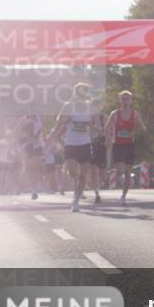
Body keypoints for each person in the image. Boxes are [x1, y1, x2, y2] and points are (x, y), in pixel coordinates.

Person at [51, 83, 98, 212]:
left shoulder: (91, 108)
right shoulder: (69, 106)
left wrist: (92, 127)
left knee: (83, 175)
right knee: (73, 173)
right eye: (80, 92)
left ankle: (75, 200)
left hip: (85, 144)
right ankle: (76, 190)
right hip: (71, 144)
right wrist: (53, 135)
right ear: (76, 93)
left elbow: (95, 127)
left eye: (85, 92)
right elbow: (59, 122)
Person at [105, 90, 147, 206]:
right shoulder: (115, 114)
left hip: (129, 145)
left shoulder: (135, 114)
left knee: (128, 172)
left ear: (131, 100)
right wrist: (107, 139)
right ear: (120, 100)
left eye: (127, 99)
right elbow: (107, 127)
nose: (125, 101)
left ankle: (123, 196)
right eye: (123, 99)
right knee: (120, 170)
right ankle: (121, 179)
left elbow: (142, 126)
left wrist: (143, 129)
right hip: (118, 145)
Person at [15, 114, 44, 199]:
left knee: (36, 169)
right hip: (26, 147)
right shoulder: (23, 119)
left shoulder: (39, 119)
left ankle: (34, 190)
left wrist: (39, 140)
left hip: (37, 147)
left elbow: (40, 131)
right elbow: (17, 132)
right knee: (27, 169)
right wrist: (19, 144)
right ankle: (22, 186)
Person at [89, 98, 107, 204]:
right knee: (93, 169)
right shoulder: (87, 117)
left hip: (101, 144)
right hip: (90, 144)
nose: (95, 108)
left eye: (97, 106)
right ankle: (96, 193)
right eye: (93, 106)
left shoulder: (103, 117)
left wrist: (108, 138)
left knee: (102, 172)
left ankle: (99, 185)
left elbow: (108, 129)